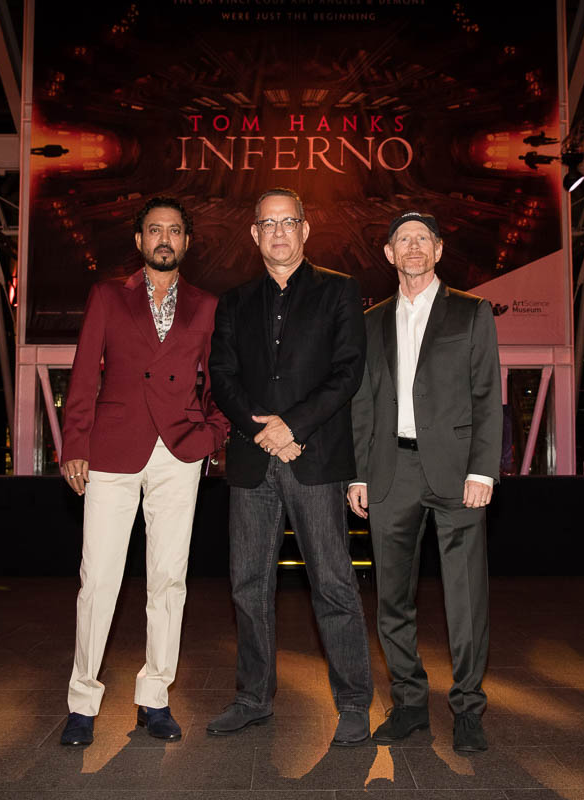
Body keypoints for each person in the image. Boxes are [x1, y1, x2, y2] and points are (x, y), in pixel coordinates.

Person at [58, 196, 229, 746]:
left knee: (169, 580)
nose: (164, 239)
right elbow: (84, 373)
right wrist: (73, 444)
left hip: (179, 454)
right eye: (154, 230)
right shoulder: (109, 295)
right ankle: (82, 701)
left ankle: (155, 697)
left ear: (186, 242)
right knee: (99, 580)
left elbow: (220, 380)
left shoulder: (206, 305)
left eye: (174, 231)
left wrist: (214, 434)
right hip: (111, 450)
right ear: (139, 241)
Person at [207, 188, 374, 746]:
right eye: (267, 223)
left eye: (289, 222)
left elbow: (348, 372)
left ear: (306, 230)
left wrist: (290, 427)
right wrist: (263, 431)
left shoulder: (340, 292)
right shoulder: (232, 303)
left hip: (315, 458)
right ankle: (253, 698)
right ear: (254, 234)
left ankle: (353, 703)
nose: (278, 232)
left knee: (333, 584)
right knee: (247, 585)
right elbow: (222, 377)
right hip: (254, 463)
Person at [348, 211, 502, 754]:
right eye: (401, 240)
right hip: (391, 470)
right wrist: (358, 474)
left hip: (458, 472)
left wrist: (484, 469)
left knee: (464, 597)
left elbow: (487, 395)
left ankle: (467, 709)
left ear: (437, 250)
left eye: (422, 239)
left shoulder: (472, 311)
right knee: (392, 599)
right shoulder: (370, 320)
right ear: (388, 254)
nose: (412, 247)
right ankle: (410, 705)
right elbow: (361, 402)